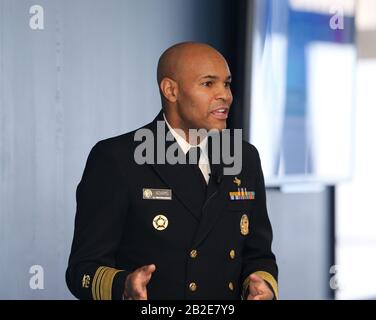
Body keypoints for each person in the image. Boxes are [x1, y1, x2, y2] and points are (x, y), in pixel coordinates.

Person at [66, 42, 278, 300]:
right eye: (208, 83)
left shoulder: (244, 157)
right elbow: (82, 270)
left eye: (227, 83)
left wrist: (261, 287)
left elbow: (258, 254)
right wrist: (124, 285)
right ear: (171, 90)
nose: (226, 95)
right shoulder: (117, 159)